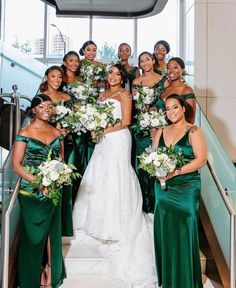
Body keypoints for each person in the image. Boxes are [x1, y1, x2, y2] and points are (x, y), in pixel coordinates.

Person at [72, 64, 157, 287]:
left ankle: (117, 222)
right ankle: (94, 217)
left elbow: (126, 121)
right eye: (110, 73)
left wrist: (103, 130)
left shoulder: (124, 94)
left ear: (123, 77)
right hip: (103, 140)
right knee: (99, 172)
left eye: (117, 73)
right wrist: (95, 128)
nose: (112, 76)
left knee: (116, 174)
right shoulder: (102, 95)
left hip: (118, 138)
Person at [152, 94, 207, 288]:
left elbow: (201, 160)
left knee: (185, 227)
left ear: (184, 108)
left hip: (187, 187)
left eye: (175, 107)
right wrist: (158, 173)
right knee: (166, 229)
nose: (171, 112)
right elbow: (153, 160)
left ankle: (186, 280)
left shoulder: (194, 131)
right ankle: (169, 279)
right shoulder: (160, 132)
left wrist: (176, 171)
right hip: (164, 189)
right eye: (167, 109)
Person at [12, 94, 66, 288]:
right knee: (33, 237)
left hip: (52, 190)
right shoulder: (25, 133)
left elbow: (61, 162)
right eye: (42, 106)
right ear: (34, 109)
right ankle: (30, 279)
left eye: (50, 107)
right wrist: (39, 183)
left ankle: (51, 272)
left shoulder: (57, 133)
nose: (46, 109)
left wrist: (54, 180)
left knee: (52, 231)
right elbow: (16, 166)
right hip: (31, 192)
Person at [39, 65, 85, 237]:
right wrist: (55, 130)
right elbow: (36, 122)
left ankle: (65, 224)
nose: (57, 80)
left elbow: (77, 119)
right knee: (50, 180)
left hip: (69, 143)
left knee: (67, 181)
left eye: (59, 77)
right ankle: (50, 222)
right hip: (49, 144)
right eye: (53, 76)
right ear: (46, 78)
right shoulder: (41, 98)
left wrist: (69, 128)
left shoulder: (68, 97)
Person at [132, 51, 168, 213]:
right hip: (141, 127)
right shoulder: (137, 81)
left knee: (157, 163)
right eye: (142, 61)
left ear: (153, 61)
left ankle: (156, 206)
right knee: (142, 165)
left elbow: (168, 102)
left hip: (159, 128)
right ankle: (142, 206)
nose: (145, 63)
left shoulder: (163, 80)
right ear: (139, 64)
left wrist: (157, 119)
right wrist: (144, 110)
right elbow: (135, 106)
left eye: (148, 59)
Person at [161, 57, 196, 123]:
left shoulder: (187, 90)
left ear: (182, 70)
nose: (171, 71)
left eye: (175, 67)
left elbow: (191, 119)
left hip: (178, 132)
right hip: (160, 131)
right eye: (168, 68)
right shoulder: (164, 90)